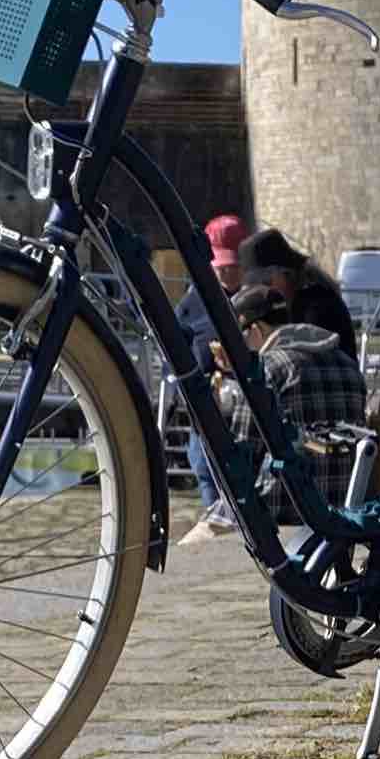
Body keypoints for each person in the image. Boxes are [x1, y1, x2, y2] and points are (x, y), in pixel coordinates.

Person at [178, 285, 367, 546]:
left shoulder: (264, 371)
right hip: (345, 501)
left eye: (234, 338)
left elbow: (240, 461)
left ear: (255, 331)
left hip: (283, 507)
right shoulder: (347, 365)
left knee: (190, 545)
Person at [172, 215, 248, 526]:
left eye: (234, 265)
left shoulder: (257, 301)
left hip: (245, 414)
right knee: (204, 468)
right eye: (221, 267)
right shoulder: (190, 305)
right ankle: (215, 522)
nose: (228, 272)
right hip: (204, 409)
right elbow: (174, 354)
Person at [239, 227, 359, 355]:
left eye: (266, 281)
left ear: (286, 273)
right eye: (254, 286)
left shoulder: (316, 305)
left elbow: (299, 363)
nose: (265, 291)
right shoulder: (300, 301)